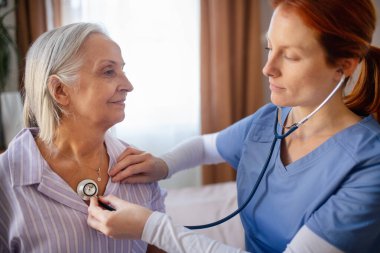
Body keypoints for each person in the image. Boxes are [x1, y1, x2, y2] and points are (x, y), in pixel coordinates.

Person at [87, 0, 380, 252]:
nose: (268, 68)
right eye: (270, 48)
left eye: (290, 56)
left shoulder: (370, 166)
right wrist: (163, 165)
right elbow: (204, 147)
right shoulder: (271, 119)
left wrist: (151, 227)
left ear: (345, 65)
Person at [0, 22, 166, 253]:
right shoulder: (5, 182)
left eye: (123, 70)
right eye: (109, 71)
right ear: (60, 90)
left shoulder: (141, 169)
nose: (128, 85)